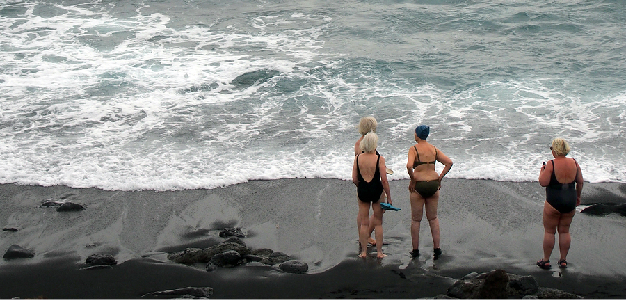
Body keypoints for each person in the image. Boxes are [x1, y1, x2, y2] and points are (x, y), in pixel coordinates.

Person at [406, 125, 453, 259]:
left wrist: (413, 179)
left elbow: (409, 165)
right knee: (433, 218)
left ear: (417, 135)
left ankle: (415, 251)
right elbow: (449, 162)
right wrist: (439, 178)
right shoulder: (433, 148)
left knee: (416, 220)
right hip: (433, 184)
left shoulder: (413, 149)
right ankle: (437, 249)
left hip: (419, 184)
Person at [537, 138, 583, 269]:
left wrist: (542, 171)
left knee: (550, 232)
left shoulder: (551, 164)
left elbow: (543, 182)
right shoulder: (574, 162)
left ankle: (545, 260)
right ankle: (563, 260)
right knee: (564, 231)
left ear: (555, 151)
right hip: (570, 200)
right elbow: (580, 182)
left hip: (554, 201)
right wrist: (578, 196)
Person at [352, 132, 392, 258]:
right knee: (378, 222)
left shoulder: (358, 158)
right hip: (376, 190)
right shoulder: (379, 159)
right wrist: (389, 196)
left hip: (363, 189)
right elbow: (384, 180)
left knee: (364, 223)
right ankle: (379, 252)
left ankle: (363, 252)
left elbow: (354, 178)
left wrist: (361, 187)